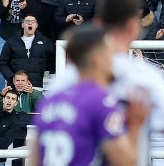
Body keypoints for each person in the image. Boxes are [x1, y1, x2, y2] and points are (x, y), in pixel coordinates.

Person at [54, 0, 164, 166]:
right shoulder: (145, 76)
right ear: (134, 27)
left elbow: (42, 143)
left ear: (97, 23)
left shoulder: (68, 77)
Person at [28, 26, 146, 166]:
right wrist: (135, 125)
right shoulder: (101, 102)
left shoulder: (49, 101)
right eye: (110, 54)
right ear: (97, 61)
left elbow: (34, 159)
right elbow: (125, 161)